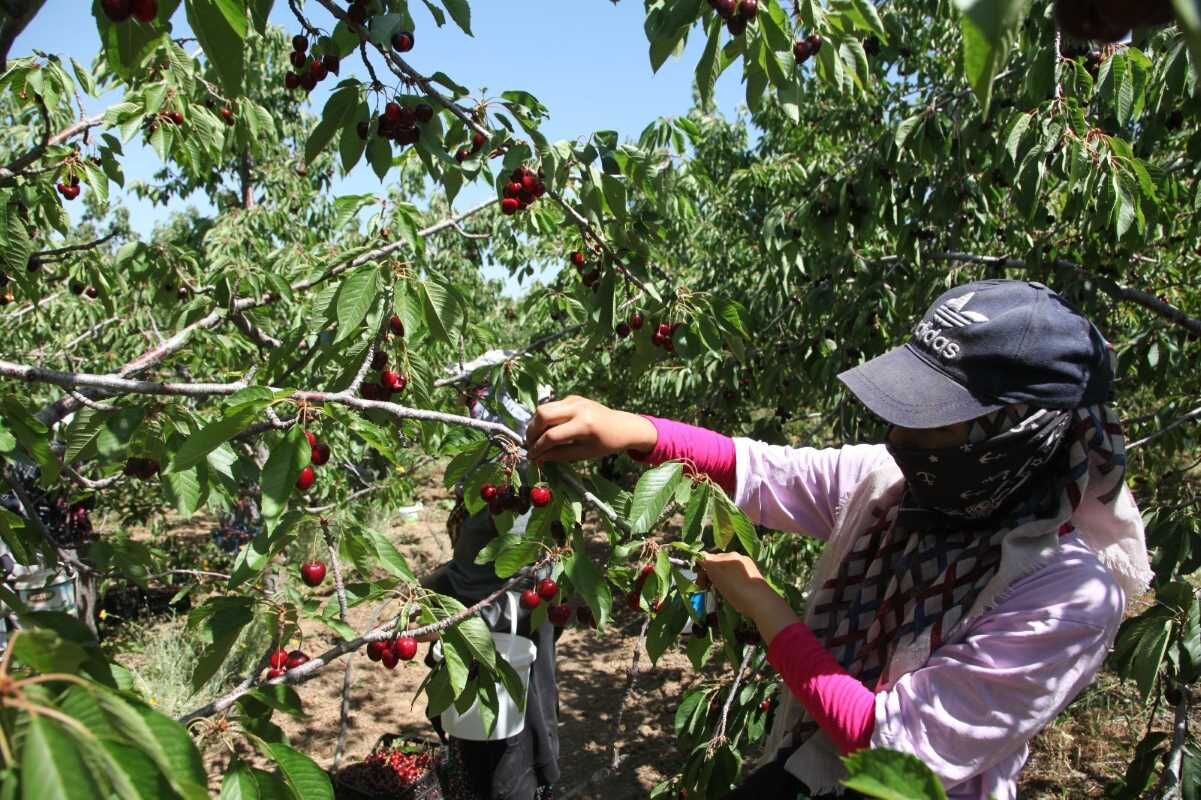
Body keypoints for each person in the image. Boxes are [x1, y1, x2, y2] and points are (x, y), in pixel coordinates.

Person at [523, 279, 1152, 799]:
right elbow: (767, 473)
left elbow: (896, 752)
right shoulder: (893, 487)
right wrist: (633, 429)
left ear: (1017, 433)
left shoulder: (1068, 595)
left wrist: (769, 612)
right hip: (811, 768)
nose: (902, 439)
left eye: (934, 423)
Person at [420, 350, 563, 800]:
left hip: (506, 618)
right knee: (490, 723)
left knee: (506, 731)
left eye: (475, 393)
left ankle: (518, 789)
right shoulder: (490, 459)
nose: (468, 403)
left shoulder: (518, 467)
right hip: (485, 613)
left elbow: (510, 556)